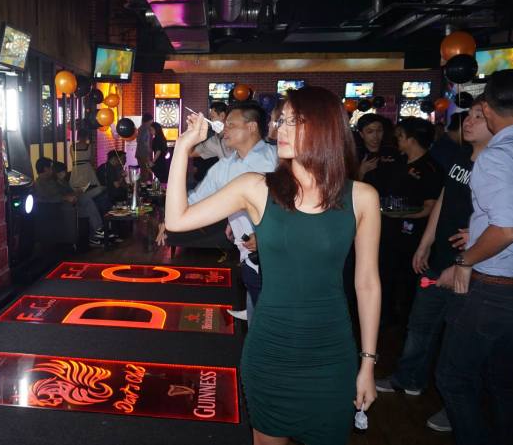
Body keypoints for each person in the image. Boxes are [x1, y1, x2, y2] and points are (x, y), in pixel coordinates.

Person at [166, 87, 380, 445]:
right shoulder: (256, 187)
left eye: (295, 121)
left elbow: (368, 283)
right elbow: (176, 219)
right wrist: (183, 147)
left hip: (331, 353)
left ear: (326, 128)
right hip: (270, 352)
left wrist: (368, 363)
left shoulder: (361, 197)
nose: (280, 128)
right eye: (282, 120)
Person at [375, 96, 492, 433]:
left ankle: (458, 406)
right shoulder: (461, 156)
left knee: (458, 339)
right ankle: (408, 378)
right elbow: (443, 199)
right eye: (469, 114)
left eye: (479, 116)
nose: (468, 121)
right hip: (439, 258)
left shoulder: (499, 162)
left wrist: (467, 256)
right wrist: (425, 242)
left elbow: (508, 222)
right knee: (420, 325)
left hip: (471, 265)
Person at [435, 69, 513, 445]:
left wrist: (465, 261)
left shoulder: (497, 156)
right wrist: (480, 235)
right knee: (501, 379)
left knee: (454, 378)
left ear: (488, 109)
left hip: (494, 288)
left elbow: (507, 230)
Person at [158, 102, 276, 323]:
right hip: (248, 255)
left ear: (251, 127)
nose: (224, 129)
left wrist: (266, 235)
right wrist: (167, 220)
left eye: (231, 124)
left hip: (280, 257)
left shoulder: (276, 158)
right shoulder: (225, 166)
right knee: (255, 292)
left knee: (274, 315)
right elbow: (195, 199)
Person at [381, 117, 443, 324]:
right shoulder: (398, 162)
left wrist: (400, 214)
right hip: (389, 232)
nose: (396, 140)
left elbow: (430, 208)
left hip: (413, 236)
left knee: (409, 283)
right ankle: (386, 317)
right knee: (386, 277)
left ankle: (407, 322)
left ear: (411, 139)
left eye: (400, 136)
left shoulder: (431, 168)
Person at [34, 158, 108, 246]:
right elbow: (46, 199)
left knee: (89, 203)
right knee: (87, 202)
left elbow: (64, 192)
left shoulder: (51, 180)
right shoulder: (39, 184)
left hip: (69, 203)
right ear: (46, 169)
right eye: (51, 167)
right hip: (62, 208)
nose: (52, 170)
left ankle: (96, 234)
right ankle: (99, 231)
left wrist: (72, 194)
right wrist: (65, 198)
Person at [356, 113, 399, 197]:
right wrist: (361, 171)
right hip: (364, 200)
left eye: (379, 131)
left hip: (390, 200)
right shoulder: (355, 154)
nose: (375, 136)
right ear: (361, 134)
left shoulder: (393, 152)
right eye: (370, 131)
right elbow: (347, 187)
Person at [135, 113, 154, 181]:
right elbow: (144, 141)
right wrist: (149, 149)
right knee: (145, 173)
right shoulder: (145, 128)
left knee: (144, 172)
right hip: (143, 154)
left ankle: (141, 185)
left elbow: (138, 140)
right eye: (151, 120)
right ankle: (142, 186)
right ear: (149, 120)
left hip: (140, 153)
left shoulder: (140, 128)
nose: (152, 122)